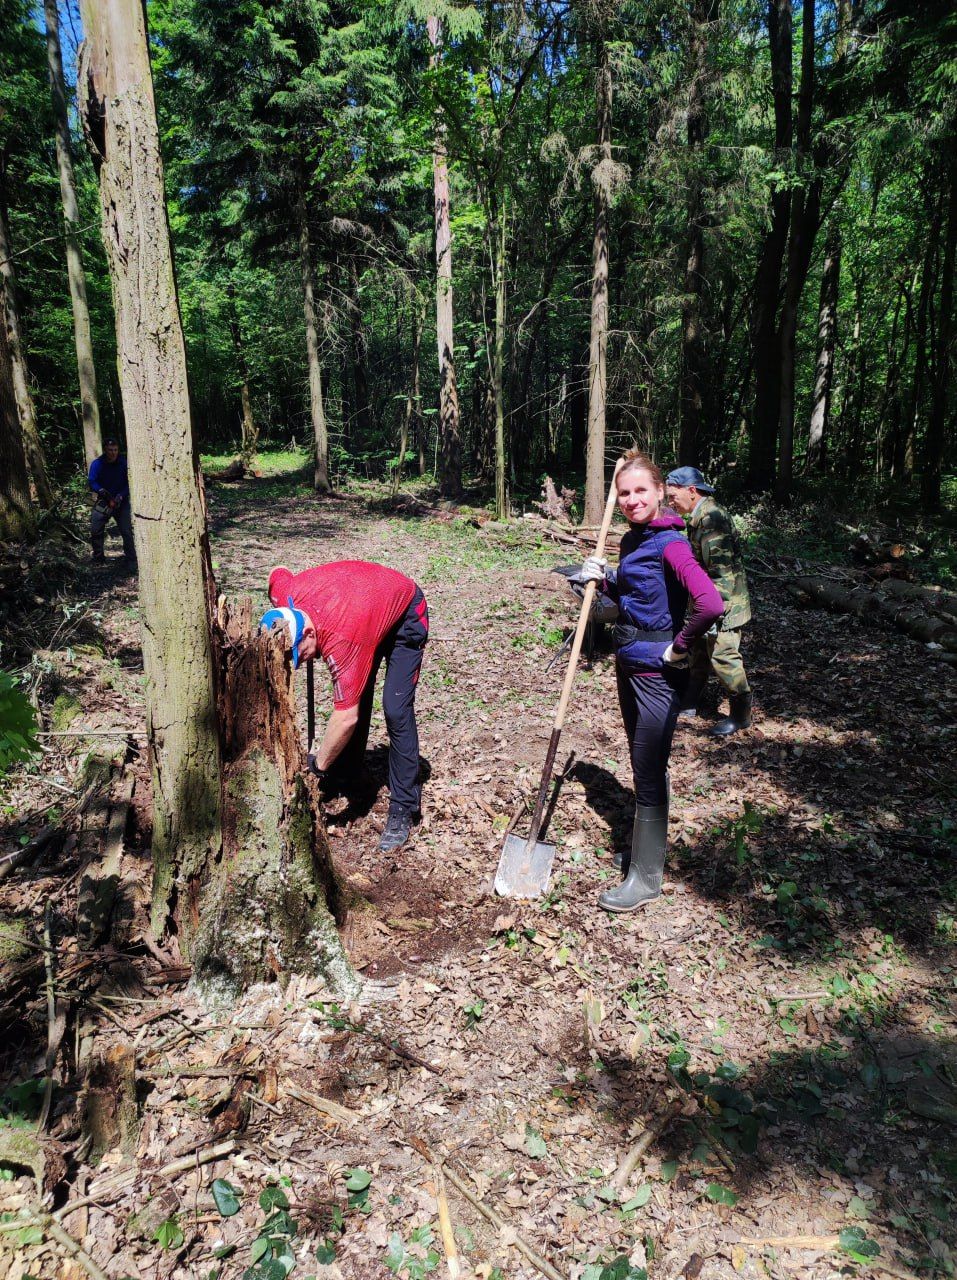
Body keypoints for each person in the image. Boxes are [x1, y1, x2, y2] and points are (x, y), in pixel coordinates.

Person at [580, 450, 723, 913]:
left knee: (645, 768)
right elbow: (630, 597)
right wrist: (601, 580)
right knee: (647, 764)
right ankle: (647, 851)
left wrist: (680, 646)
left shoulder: (671, 544)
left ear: (661, 492)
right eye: (624, 492)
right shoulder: (632, 541)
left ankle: (645, 878)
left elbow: (709, 602)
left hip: (657, 675)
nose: (632, 499)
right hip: (627, 664)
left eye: (641, 490)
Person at [260, 561, 429, 853]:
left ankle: (404, 809)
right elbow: (278, 572)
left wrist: (319, 768)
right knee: (357, 692)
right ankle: (351, 773)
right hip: (367, 609)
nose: (304, 664)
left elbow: (346, 718)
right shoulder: (286, 596)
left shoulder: (342, 638)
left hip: (405, 613)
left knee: (396, 709)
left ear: (310, 634)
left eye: (303, 655)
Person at [664, 466, 752, 736]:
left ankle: (740, 716)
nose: (670, 502)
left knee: (724, 657)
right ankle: (690, 701)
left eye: (672, 495)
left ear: (691, 491)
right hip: (708, 603)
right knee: (699, 653)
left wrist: (715, 613)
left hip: (724, 604)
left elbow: (721, 572)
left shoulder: (711, 518)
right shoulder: (699, 515)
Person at [88, 437, 136, 565]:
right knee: (95, 529)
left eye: (115, 450)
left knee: (126, 531)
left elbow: (129, 482)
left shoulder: (123, 463)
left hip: (121, 501)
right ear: (105, 450)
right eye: (110, 450)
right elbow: (92, 480)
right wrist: (100, 490)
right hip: (104, 501)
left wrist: (121, 495)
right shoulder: (97, 464)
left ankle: (131, 559)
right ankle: (98, 558)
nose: (113, 452)